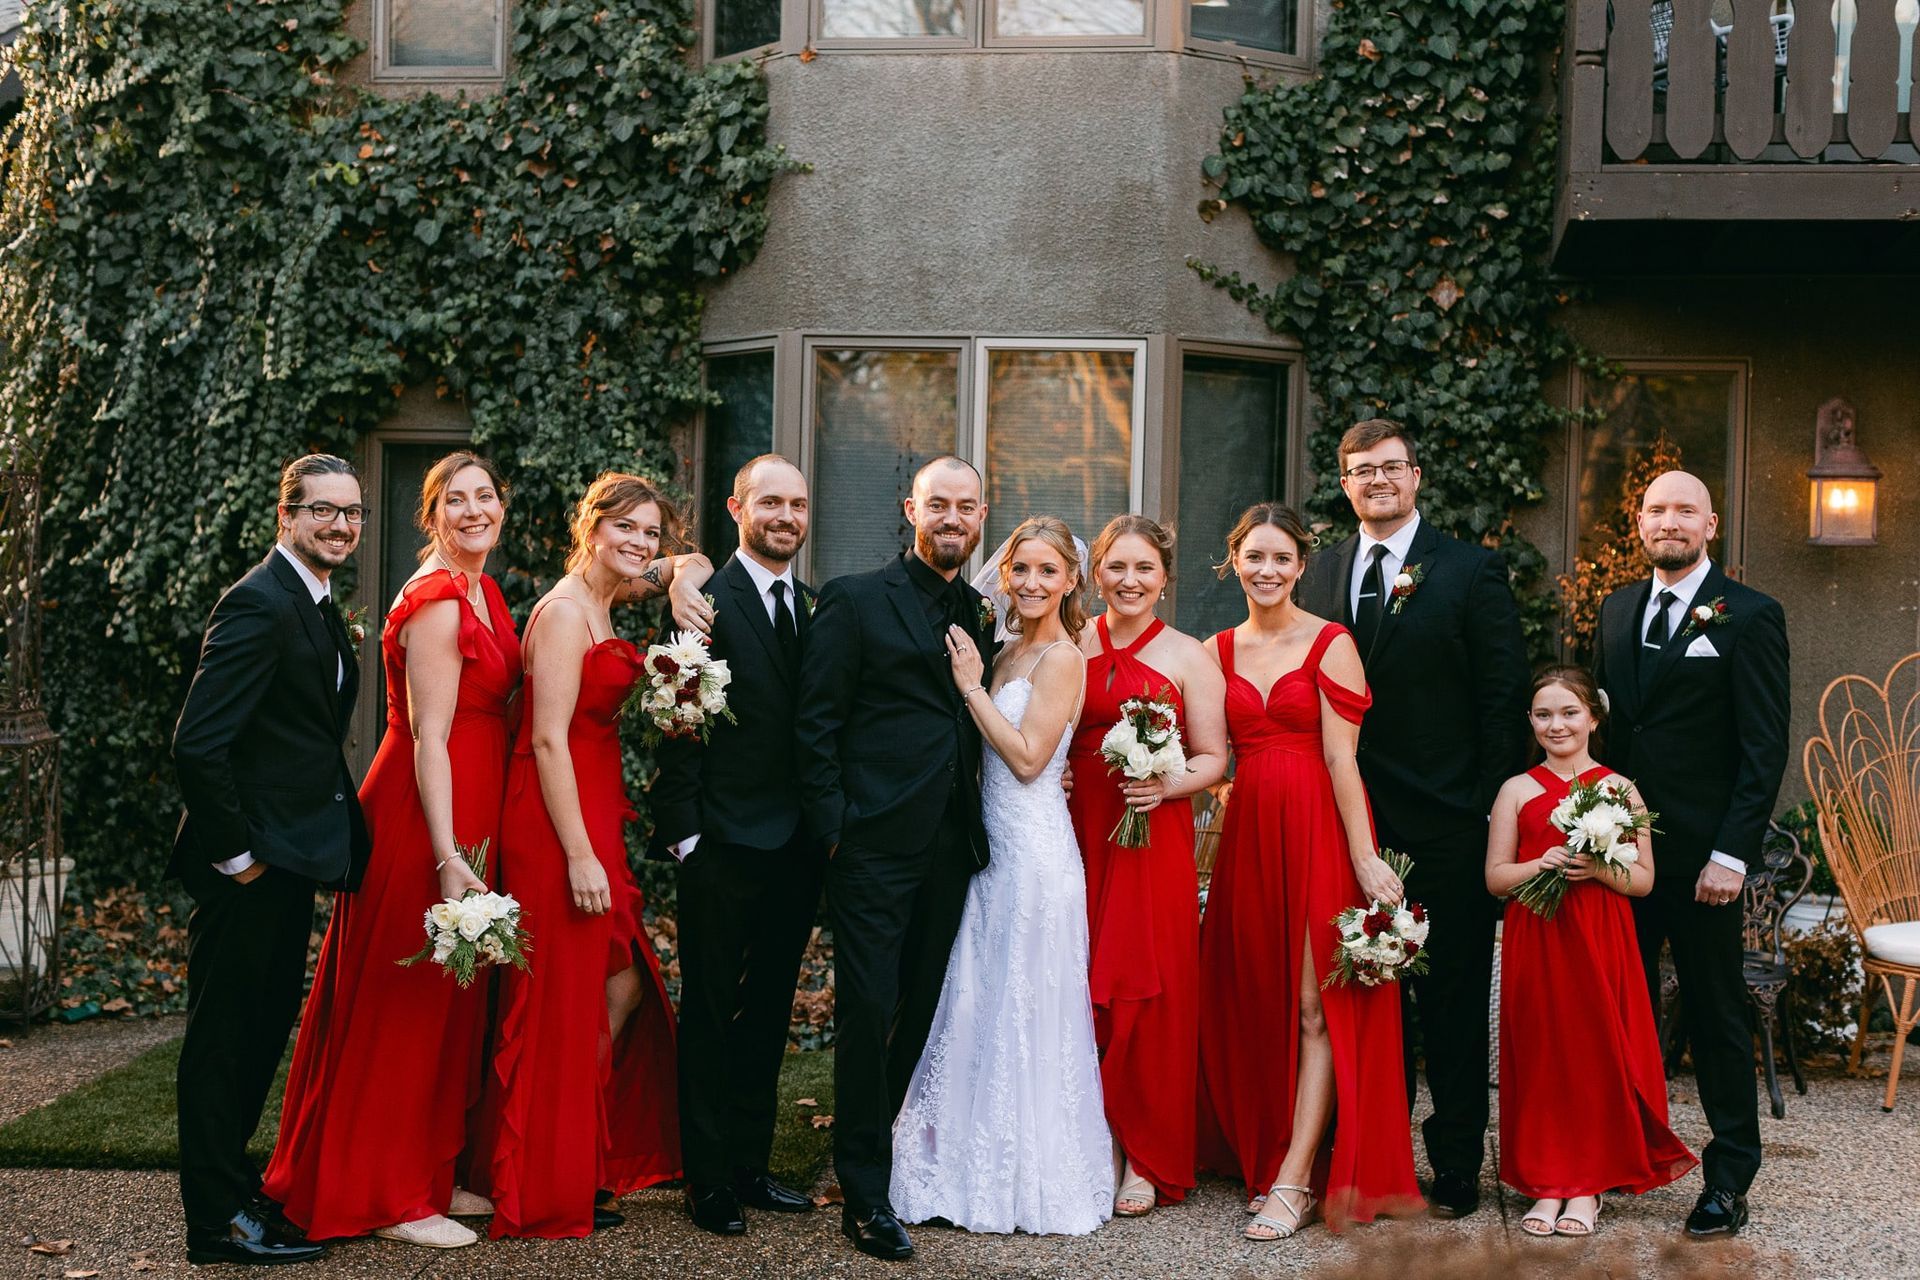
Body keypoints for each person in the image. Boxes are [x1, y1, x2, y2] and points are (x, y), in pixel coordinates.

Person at [261, 453, 521, 1249]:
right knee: (403, 1006)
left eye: (486, 496)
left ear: (502, 507)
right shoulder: (439, 599)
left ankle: (426, 1171)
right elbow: (431, 738)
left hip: (467, 805)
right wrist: (446, 854)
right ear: (431, 515)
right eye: (456, 500)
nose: (474, 510)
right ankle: (387, 1193)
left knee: (448, 1003)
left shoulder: (484, 587)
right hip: (423, 814)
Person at [1294, 419, 1529, 1218]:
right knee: (1362, 994)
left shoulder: (1470, 570)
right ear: (1346, 482)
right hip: (1348, 822)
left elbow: (1503, 701)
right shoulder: (1318, 572)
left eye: (1391, 467)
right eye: (1362, 470)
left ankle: (1457, 1161)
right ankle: (1373, 1154)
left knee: (1452, 1001)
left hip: (1448, 823)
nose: (1378, 480)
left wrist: (1482, 810)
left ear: (1417, 476)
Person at [1197, 503, 1422, 1240]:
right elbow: (1203, 758)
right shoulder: (1214, 651)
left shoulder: (1330, 643)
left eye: (1281, 559)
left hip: (1317, 831)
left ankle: (1296, 1178)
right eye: (1253, 557)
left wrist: (1362, 855)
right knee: (1253, 995)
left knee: (1312, 1005)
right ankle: (1261, 1149)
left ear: (1301, 567)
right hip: (1247, 836)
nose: (1266, 571)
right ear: (1234, 561)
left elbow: (1340, 759)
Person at [795, 456, 998, 1262]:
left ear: (983, 515)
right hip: (872, 846)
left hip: (954, 845)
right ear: (911, 508)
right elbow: (815, 724)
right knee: (868, 1010)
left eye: (967, 506)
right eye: (938, 503)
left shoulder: (979, 611)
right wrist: (836, 829)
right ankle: (865, 1196)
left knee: (921, 1008)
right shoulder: (852, 599)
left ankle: (884, 1149)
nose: (953, 518)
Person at [171, 454, 371, 1267]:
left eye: (352, 512)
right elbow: (197, 743)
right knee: (224, 1041)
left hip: (289, 862)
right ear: (287, 516)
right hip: (249, 871)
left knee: (257, 1037)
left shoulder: (315, 603)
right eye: (323, 511)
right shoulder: (258, 602)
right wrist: (240, 858)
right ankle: (214, 1225)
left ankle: (234, 1190)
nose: (341, 525)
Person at [890, 516, 1112, 1235]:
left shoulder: (1064, 659)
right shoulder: (1008, 647)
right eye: (1021, 569)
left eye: (1048, 571)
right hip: (990, 850)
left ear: (1072, 580)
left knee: (1025, 1004)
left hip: (1037, 854)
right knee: (977, 996)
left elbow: (1025, 759)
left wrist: (969, 688)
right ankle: (960, 1160)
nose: (1031, 583)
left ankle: (1025, 1176)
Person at [481, 473, 688, 1239]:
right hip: (555, 820)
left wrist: (680, 571)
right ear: (591, 527)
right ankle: (539, 1183)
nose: (641, 544)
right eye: (626, 529)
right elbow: (543, 737)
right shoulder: (567, 612)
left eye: (651, 535)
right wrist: (578, 855)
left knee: (618, 988)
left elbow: (684, 566)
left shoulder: (608, 597)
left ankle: (574, 1162)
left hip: (596, 811)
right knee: (559, 1003)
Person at [1591, 469, 1789, 1239]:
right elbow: (1607, 732)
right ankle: (1626, 1155)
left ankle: (1729, 1177)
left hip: (1706, 865)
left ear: (1712, 524)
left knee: (1715, 1017)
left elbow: (1763, 748)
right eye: (1654, 510)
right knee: (1621, 1011)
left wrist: (1732, 856)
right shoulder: (1615, 611)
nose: (1667, 521)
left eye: (1684, 510)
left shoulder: (1751, 615)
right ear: (1638, 524)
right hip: (1620, 860)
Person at [648, 455, 824, 1236]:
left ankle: (751, 1164)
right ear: (736, 507)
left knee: (768, 1012)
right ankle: (707, 1177)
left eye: (797, 504)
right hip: (719, 841)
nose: (785, 516)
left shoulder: (814, 606)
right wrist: (688, 837)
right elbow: (676, 726)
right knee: (713, 1008)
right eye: (770, 502)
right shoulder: (701, 602)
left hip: (794, 848)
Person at [1485, 665, 1698, 1238]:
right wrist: (1541, 863)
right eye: (1544, 714)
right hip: (1539, 936)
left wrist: (1600, 866)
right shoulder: (1517, 789)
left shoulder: (1620, 788)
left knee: (1593, 1054)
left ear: (1594, 718)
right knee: (1544, 1054)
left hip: (1599, 937)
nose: (1557, 725)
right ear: (1530, 721)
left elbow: (1645, 880)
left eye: (1569, 712)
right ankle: (1546, 1182)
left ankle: (1586, 1186)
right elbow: (1496, 877)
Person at [1066, 515, 1228, 1217]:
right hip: (1076, 832)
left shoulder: (1190, 656)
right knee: (1079, 975)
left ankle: (1146, 1152)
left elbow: (1216, 758)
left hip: (1151, 835)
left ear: (1165, 579)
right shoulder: (1071, 644)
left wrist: (1166, 785)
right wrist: (1055, 777)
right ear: (1095, 573)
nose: (1129, 582)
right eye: (1116, 567)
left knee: (1146, 983)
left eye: (1144, 569)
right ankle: (1093, 1139)